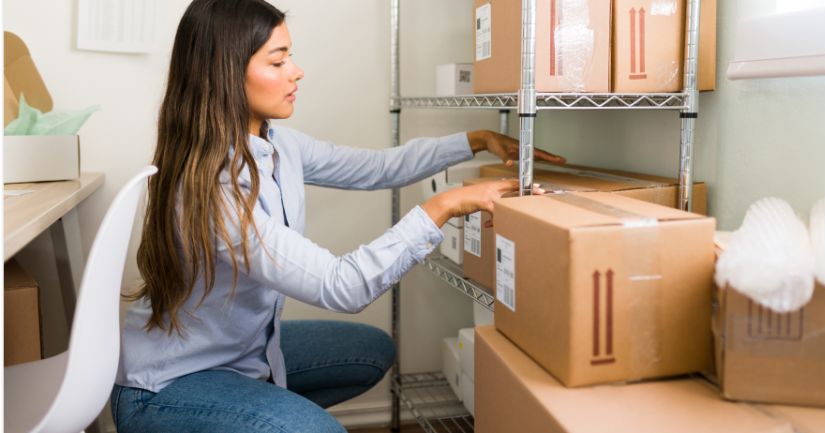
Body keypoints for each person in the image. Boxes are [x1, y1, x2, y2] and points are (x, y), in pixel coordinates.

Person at [111, 1, 565, 432]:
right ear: (225, 74)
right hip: (172, 383)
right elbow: (341, 285)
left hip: (244, 354)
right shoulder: (212, 189)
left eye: (290, 57)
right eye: (277, 61)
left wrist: (477, 140)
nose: (297, 71)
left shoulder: (279, 145)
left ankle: (253, 410)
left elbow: (379, 168)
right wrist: (443, 205)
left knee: (370, 351)